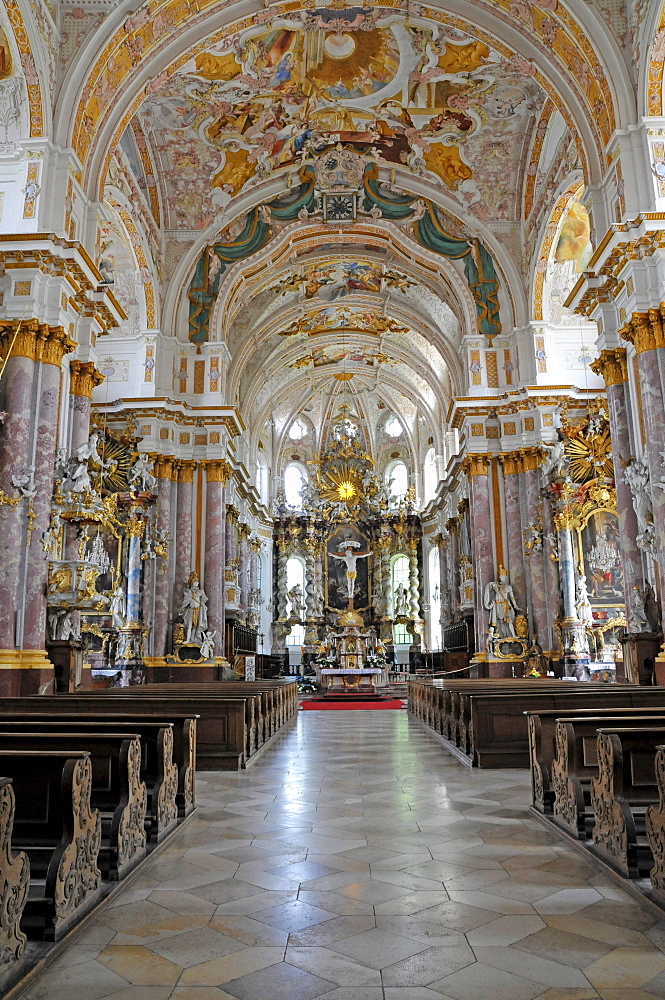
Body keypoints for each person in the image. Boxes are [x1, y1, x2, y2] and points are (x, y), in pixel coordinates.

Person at [483, 568, 520, 638]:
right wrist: (492, 585)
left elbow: (512, 598)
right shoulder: (497, 586)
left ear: (506, 578)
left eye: (503, 577)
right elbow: (489, 588)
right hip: (497, 605)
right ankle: (502, 636)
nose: (502, 579)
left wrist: (515, 605)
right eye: (501, 577)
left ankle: (513, 635)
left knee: (509, 621)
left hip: (505, 605)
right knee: (500, 622)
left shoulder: (508, 587)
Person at [179, 573, 209, 643]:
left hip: (198, 611)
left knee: (197, 626)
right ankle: (188, 640)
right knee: (189, 626)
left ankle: (196, 639)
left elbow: (203, 600)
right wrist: (182, 609)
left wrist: (204, 605)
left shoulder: (200, 591)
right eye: (195, 582)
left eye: (197, 582)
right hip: (191, 610)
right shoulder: (188, 592)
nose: (196, 583)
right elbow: (185, 602)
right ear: (191, 583)